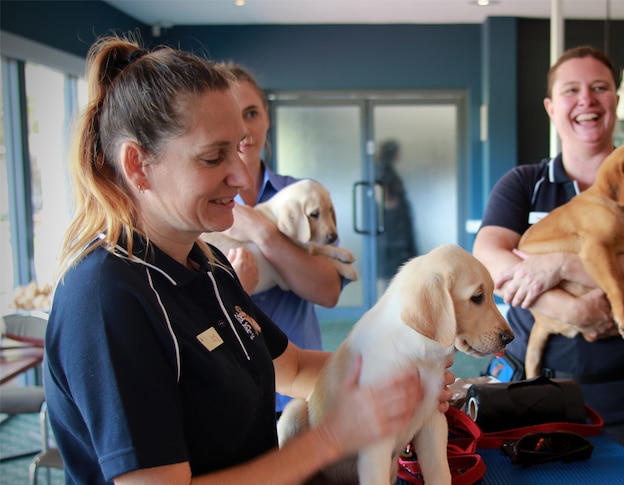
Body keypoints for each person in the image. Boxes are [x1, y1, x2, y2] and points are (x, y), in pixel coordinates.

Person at [45, 33, 452, 484]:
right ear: (139, 165)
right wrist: (331, 438)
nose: (241, 177)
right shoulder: (107, 300)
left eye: (240, 147)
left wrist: (400, 375)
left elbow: (292, 368)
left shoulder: (208, 265)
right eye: (214, 156)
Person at [472, 45, 624, 485]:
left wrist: (558, 263)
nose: (587, 100)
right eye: (571, 90)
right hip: (535, 396)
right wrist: (574, 310)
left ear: (616, 99)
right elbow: (489, 262)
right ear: (551, 107)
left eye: (600, 88)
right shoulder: (525, 183)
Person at [217, 62, 348, 415]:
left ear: (267, 118)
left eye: (252, 113)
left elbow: (328, 291)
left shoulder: (303, 194)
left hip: (300, 382)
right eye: (231, 115)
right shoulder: (204, 205)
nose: (243, 128)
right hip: (230, 382)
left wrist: (262, 231)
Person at [375, 139, 418, 289]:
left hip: (396, 227)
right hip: (393, 228)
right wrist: (394, 207)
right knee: (392, 273)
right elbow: (381, 196)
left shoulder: (386, 169)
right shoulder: (383, 170)